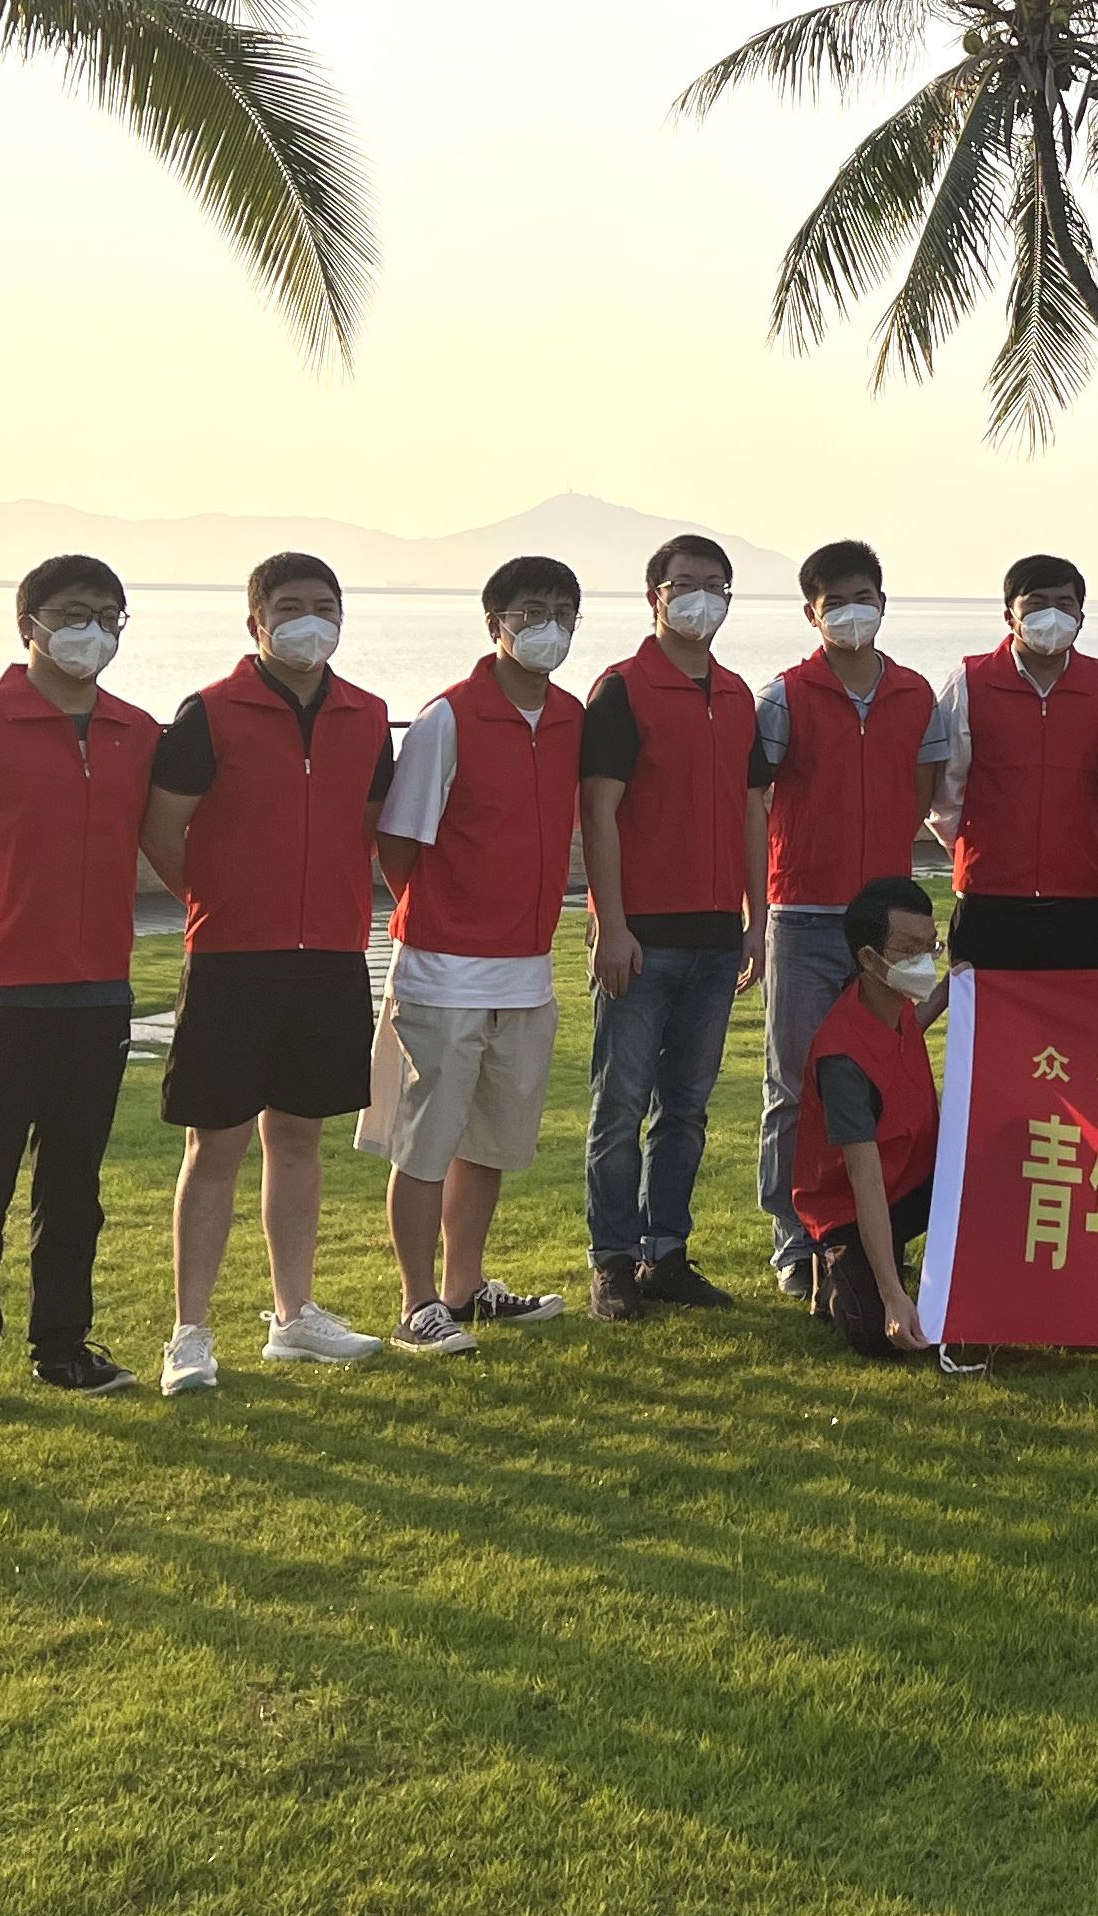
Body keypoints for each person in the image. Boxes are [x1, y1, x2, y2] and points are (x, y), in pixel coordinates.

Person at [0, 553, 161, 1424]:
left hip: (97, 995)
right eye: (71, 613)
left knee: (75, 1189)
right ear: (30, 626)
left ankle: (62, 1346)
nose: (91, 630)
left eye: (107, 615)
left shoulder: (137, 732)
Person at [142, 552, 395, 1392]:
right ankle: (189, 1333)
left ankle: (295, 1316)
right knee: (214, 1143)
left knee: (299, 1138)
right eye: (289, 606)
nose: (309, 620)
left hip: (330, 956)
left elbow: (368, 824)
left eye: (325, 604)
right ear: (255, 621)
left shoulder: (368, 715)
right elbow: (163, 827)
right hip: (230, 959)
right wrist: (214, 898)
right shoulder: (209, 713)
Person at [368, 555, 590, 1355]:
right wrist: (446, 913)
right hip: (442, 971)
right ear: (495, 622)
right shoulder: (448, 718)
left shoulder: (570, 718)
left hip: (527, 972)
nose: (548, 626)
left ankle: (465, 1286)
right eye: (531, 611)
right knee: (425, 1143)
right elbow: (399, 841)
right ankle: (417, 1303)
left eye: (563, 612)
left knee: (490, 1141)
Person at [578, 533, 771, 1319]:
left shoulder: (737, 695)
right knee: (620, 1106)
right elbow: (599, 812)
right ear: (653, 595)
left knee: (686, 1109)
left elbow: (754, 812)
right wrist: (610, 924)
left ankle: (666, 1254)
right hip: (642, 938)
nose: (701, 598)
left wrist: (757, 920)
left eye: (715, 585)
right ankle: (612, 1261)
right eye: (685, 583)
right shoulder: (622, 689)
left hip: (717, 938)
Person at [754, 541, 951, 1304]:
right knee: (793, 1082)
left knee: (888, 1069)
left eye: (863, 596)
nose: (851, 612)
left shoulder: (916, 696)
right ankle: (795, 1242)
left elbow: (923, 790)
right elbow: (756, 797)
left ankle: (875, 1231)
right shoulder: (785, 696)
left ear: (883, 602)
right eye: (835, 601)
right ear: (812, 613)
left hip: (885, 922)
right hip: (803, 915)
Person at [934, 554, 1098, 973]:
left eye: (1064, 603)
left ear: (1081, 617)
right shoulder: (969, 681)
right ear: (1010, 615)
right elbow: (947, 789)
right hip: (988, 898)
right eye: (1037, 603)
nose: (1052, 615)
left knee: (1080, 1013)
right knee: (985, 1013)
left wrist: (1080, 841)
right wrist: (975, 849)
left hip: (1080, 899)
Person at [793, 876, 954, 1362]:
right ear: (868, 958)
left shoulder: (892, 1004)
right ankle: (836, 1266)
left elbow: (908, 1029)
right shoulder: (843, 1058)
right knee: (875, 1335)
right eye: (909, 950)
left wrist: (950, 989)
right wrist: (892, 1294)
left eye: (931, 946)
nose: (924, 960)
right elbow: (864, 1182)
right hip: (853, 1204)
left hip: (913, 1177)